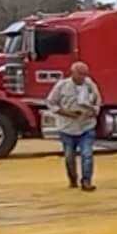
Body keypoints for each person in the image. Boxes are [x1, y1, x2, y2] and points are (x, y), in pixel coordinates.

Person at [46, 61, 101, 191]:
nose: (83, 77)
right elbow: (51, 103)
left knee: (87, 154)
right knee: (69, 156)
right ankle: (72, 178)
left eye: (85, 74)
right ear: (73, 73)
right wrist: (66, 112)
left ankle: (86, 181)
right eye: (80, 74)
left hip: (86, 126)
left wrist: (92, 111)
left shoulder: (90, 85)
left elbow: (98, 102)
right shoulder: (62, 85)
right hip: (67, 127)